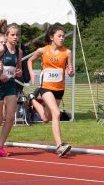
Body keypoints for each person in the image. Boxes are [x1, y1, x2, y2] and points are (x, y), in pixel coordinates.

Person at [27, 25, 74, 157]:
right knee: (56, 113)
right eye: (59, 36)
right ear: (52, 38)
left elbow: (71, 71)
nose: (62, 38)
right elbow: (30, 61)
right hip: (46, 87)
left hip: (59, 89)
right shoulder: (43, 50)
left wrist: (71, 72)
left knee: (46, 118)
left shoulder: (67, 52)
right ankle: (59, 145)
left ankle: (31, 100)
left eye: (63, 36)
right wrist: (31, 73)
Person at [0, 20, 23, 157]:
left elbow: (19, 69)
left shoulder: (19, 52)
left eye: (17, 35)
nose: (15, 37)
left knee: (10, 117)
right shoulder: (0, 50)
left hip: (10, 85)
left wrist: (18, 72)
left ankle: (0, 146)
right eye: (12, 35)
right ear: (6, 36)